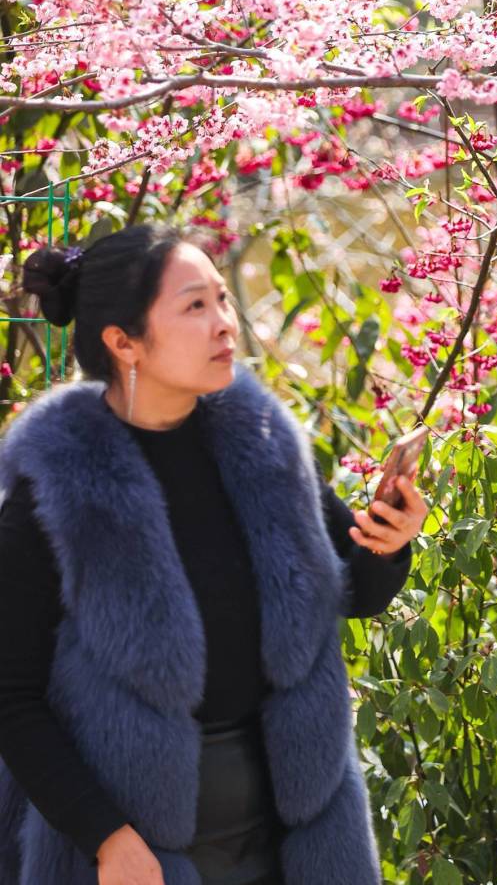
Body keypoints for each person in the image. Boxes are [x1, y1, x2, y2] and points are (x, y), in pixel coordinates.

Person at [0, 225, 428, 885]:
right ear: (123, 342)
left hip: (295, 833)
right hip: (131, 844)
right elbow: (11, 696)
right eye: (195, 306)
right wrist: (105, 838)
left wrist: (390, 544)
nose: (225, 324)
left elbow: (355, 592)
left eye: (224, 299)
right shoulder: (57, 491)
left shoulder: (262, 444)